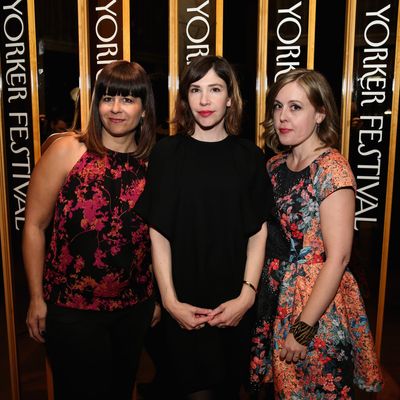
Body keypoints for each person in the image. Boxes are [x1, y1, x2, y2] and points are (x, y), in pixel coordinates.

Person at [134, 55, 272, 400]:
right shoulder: (166, 154)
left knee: (228, 390)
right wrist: (170, 301)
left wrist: (247, 295)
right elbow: (158, 232)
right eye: (196, 90)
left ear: (230, 98)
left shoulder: (250, 157)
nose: (205, 100)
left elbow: (258, 232)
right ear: (185, 98)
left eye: (215, 89)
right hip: (184, 304)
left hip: (235, 303)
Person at [23, 60, 158, 400]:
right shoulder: (68, 150)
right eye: (108, 98)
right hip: (71, 311)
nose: (115, 108)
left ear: (144, 109)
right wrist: (36, 298)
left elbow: (159, 238)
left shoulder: (154, 162)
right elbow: (35, 226)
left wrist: (156, 298)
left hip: (133, 309)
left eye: (127, 99)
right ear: (96, 104)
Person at [249, 68, 384, 398]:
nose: (283, 117)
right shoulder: (274, 165)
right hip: (273, 295)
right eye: (278, 106)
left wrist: (303, 327)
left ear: (321, 113)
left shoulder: (332, 167)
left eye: (296, 107)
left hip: (315, 304)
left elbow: (338, 258)